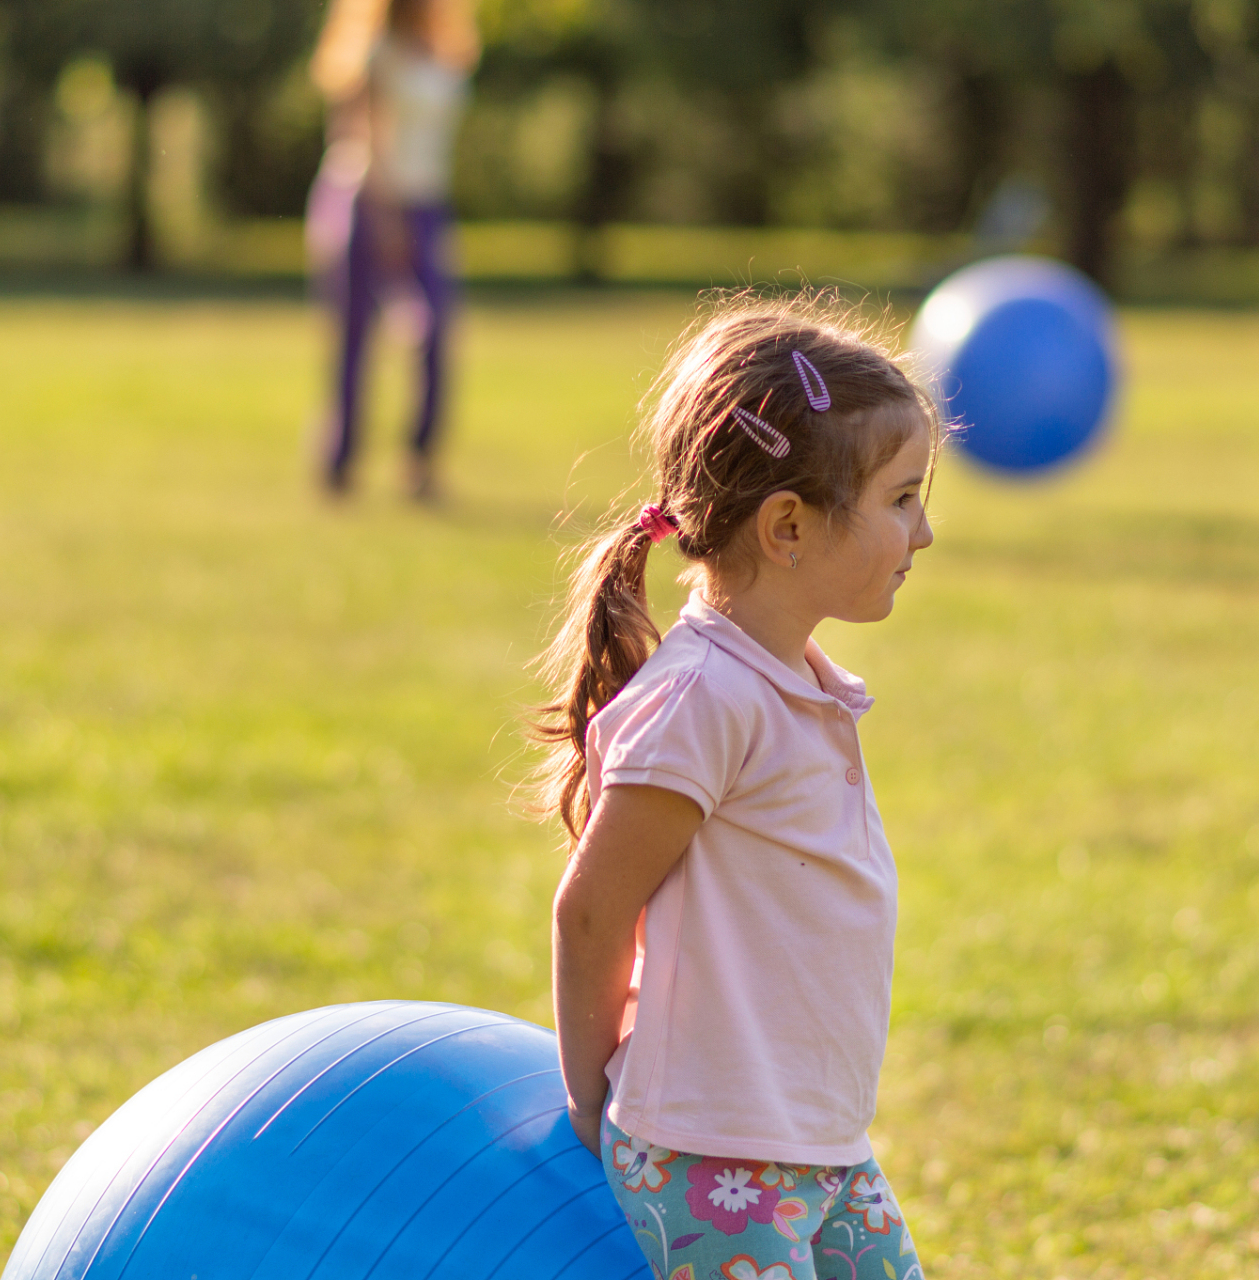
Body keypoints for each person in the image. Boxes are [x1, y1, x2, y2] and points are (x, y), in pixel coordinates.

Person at [532, 296, 938, 1280]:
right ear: (788, 525)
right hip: (708, 1152)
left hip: (819, 1142)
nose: (922, 532)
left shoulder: (793, 680)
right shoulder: (702, 700)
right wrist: (593, 1101)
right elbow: (593, 910)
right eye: (900, 498)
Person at [308, 0, 479, 501]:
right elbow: (358, 140)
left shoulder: (448, 48)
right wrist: (387, 219)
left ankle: (419, 461)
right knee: (356, 336)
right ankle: (339, 463)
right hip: (367, 200)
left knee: (435, 332)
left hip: (427, 204)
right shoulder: (372, 53)